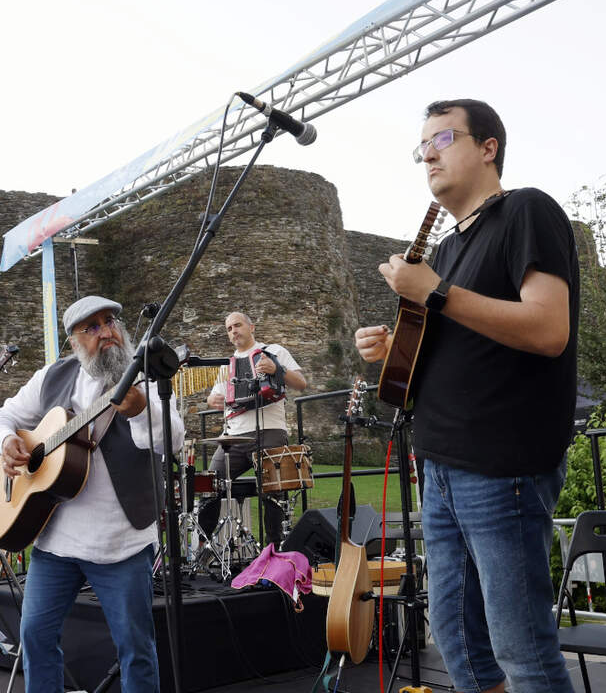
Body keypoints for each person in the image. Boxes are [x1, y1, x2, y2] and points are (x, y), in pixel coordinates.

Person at [354, 98, 578, 693]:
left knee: (520, 648)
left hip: (502, 464)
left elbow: (548, 328)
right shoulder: (446, 251)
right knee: (459, 647)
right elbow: (452, 347)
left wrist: (434, 293)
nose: (428, 152)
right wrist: (391, 347)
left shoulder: (526, 211)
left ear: (488, 147)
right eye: (421, 145)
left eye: (443, 137)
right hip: (440, 465)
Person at [0, 295, 185, 693]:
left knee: (135, 649)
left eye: (110, 321)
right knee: (36, 637)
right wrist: (6, 442)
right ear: (74, 341)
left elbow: (173, 440)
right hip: (56, 539)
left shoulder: (141, 378)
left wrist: (141, 409)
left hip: (121, 542)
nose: (105, 332)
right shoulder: (52, 377)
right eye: (91, 328)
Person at [200, 311, 306, 545]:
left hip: (269, 431)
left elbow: (301, 383)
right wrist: (211, 401)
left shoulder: (274, 352)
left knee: (273, 494)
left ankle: (273, 550)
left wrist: (277, 369)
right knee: (209, 486)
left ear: (251, 327)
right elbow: (215, 397)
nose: (233, 331)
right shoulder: (226, 366)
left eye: (237, 325)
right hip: (232, 437)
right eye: (229, 329)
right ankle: (203, 547)